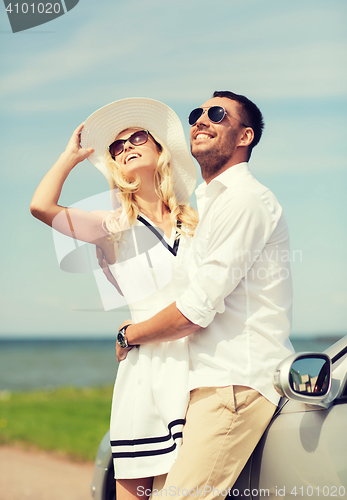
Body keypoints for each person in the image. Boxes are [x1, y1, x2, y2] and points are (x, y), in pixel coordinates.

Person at [115, 91, 294, 499]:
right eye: (197, 114)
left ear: (245, 136)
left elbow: (195, 311)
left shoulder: (245, 200)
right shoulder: (209, 205)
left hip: (234, 384)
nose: (200, 121)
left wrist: (131, 335)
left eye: (217, 115)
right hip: (205, 387)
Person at [30, 98, 199, 500]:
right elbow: (41, 206)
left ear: (160, 149)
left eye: (137, 137)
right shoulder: (112, 228)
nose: (126, 147)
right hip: (146, 375)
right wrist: (69, 157)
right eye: (116, 148)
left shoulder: (196, 221)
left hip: (199, 372)